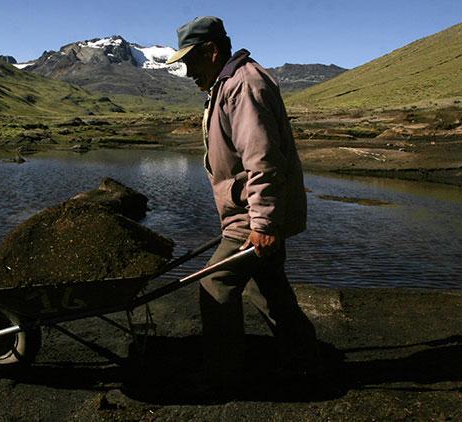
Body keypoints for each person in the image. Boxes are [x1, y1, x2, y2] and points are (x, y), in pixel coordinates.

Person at [166, 16, 319, 393]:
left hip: (251, 215)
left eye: (190, 61)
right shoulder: (229, 83)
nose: (187, 72)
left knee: (215, 284)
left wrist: (263, 224)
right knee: (266, 286)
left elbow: (261, 159)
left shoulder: (243, 85)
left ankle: (222, 376)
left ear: (213, 51)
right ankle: (304, 359)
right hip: (248, 211)